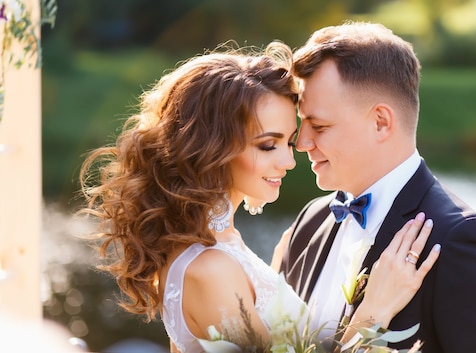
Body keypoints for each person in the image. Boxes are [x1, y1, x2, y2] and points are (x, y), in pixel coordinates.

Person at [78, 41, 440, 353]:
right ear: (212, 149)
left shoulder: (221, 246)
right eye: (268, 145)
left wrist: (273, 276)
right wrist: (373, 312)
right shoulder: (211, 269)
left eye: (287, 140)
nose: (288, 159)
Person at [280, 21, 476, 353]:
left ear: (381, 122)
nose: (301, 142)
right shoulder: (311, 222)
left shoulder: (463, 244)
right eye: (302, 123)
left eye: (319, 125)